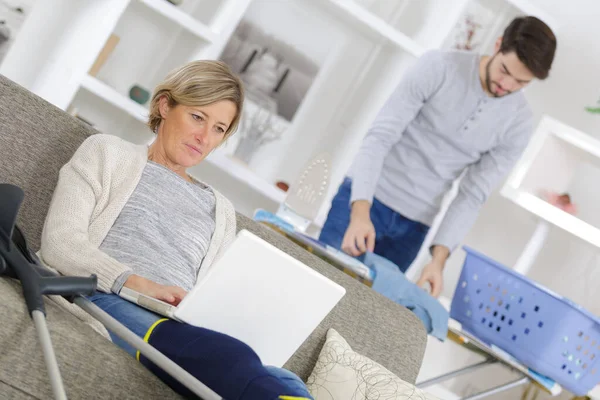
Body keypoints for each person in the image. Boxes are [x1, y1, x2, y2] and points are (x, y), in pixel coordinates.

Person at [40, 60, 312, 399]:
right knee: (232, 360)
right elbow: (60, 243)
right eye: (198, 117)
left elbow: (214, 295)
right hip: (106, 298)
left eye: (219, 129)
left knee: (288, 382)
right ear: (165, 105)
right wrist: (137, 283)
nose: (204, 137)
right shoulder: (107, 153)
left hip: (181, 324)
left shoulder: (221, 210)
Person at [318, 16, 557, 298]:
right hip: (364, 200)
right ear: (497, 45)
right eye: (505, 71)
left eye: (521, 82)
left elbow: (472, 194)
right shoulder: (439, 67)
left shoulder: (519, 124)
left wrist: (438, 261)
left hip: (414, 228)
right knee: (320, 289)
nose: (507, 85)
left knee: (366, 316)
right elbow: (379, 137)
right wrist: (359, 213)